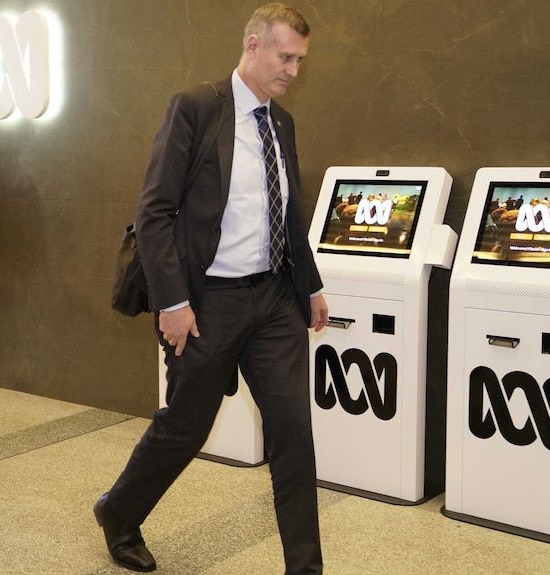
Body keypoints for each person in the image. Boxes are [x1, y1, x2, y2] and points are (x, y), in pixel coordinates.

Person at [94, 4, 328, 574]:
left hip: (274, 299)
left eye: (300, 60)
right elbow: (154, 212)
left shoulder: (282, 123)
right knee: (186, 426)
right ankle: (119, 512)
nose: (293, 70)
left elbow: (289, 212)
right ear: (253, 45)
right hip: (208, 301)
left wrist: (311, 285)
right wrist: (172, 302)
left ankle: (306, 567)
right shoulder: (197, 108)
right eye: (285, 56)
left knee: (293, 430)